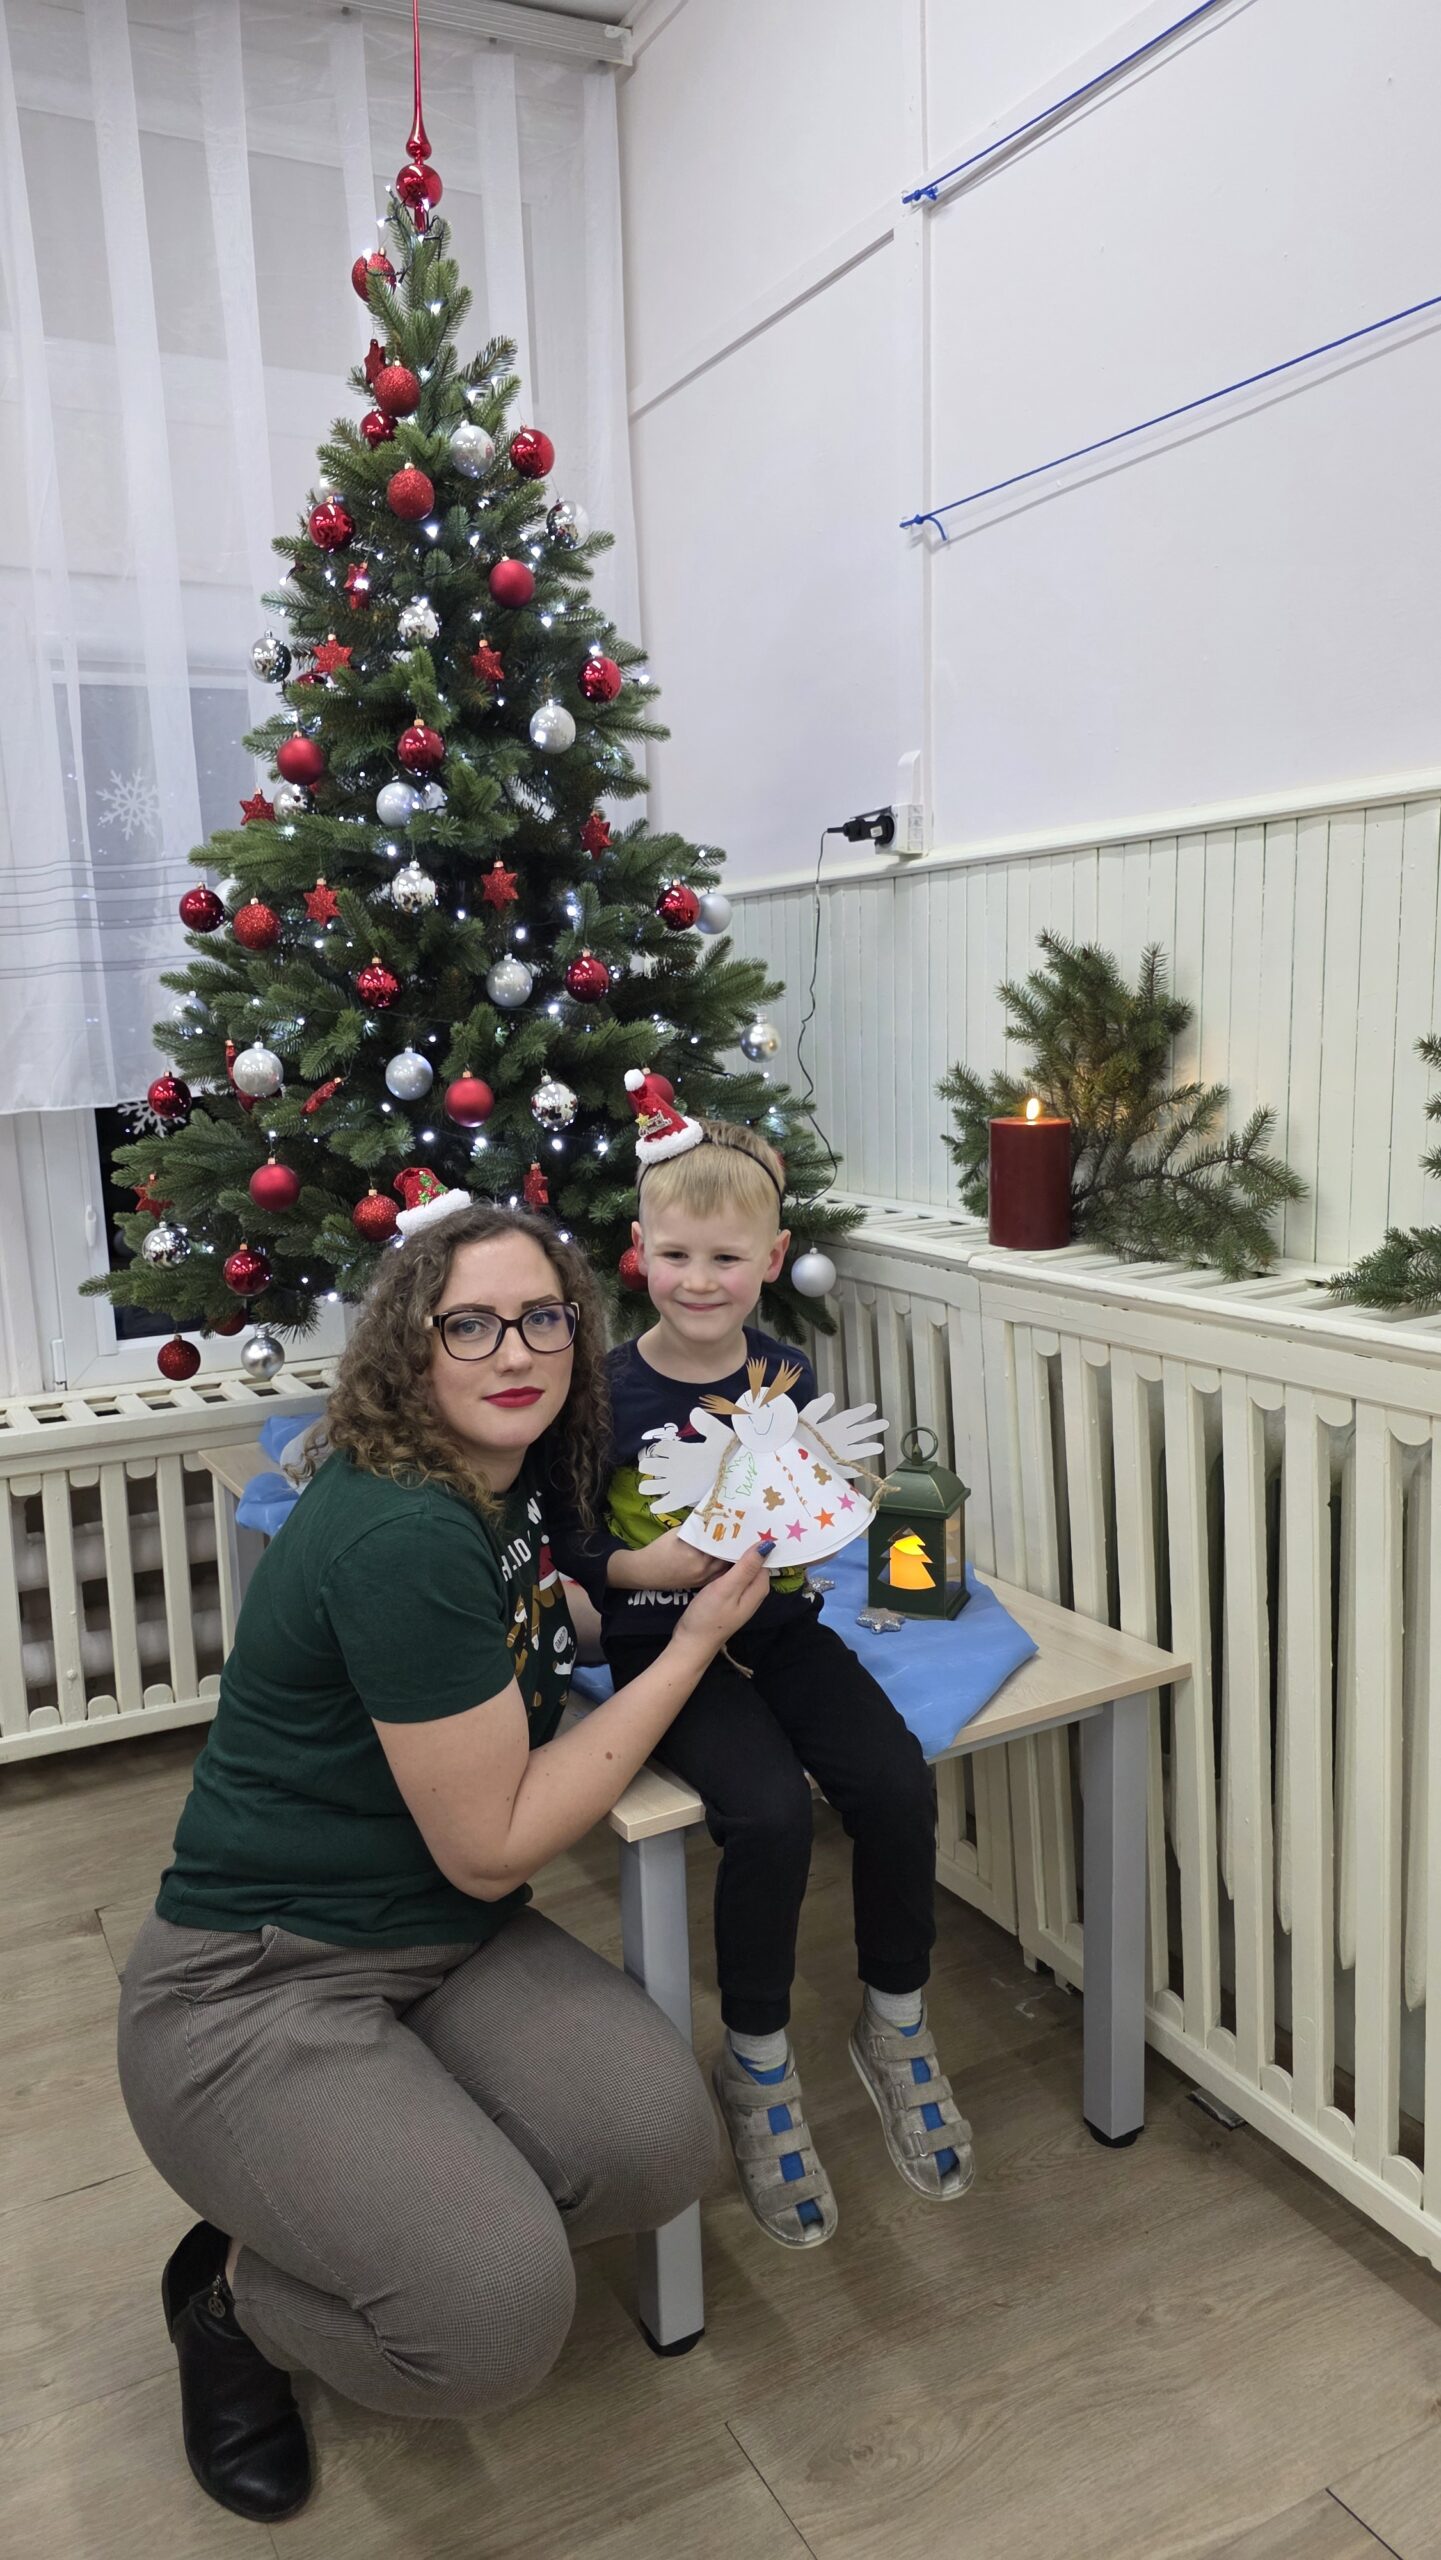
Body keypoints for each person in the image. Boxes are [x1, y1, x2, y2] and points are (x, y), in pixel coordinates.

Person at [116, 1198, 771, 2526]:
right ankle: (237, 2303)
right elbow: (494, 1850)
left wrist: (642, 1587)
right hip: (258, 1980)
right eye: (468, 1324)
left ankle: (370, 2191)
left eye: (541, 1317)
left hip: (436, 1942)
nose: (513, 1349)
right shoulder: (403, 1529)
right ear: (410, 1349)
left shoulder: (499, 1476)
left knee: (659, 2150)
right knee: (487, 2328)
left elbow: (537, 1607)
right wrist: (696, 1643)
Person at [552, 1079, 973, 2251]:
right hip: (660, 1648)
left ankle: (895, 2020)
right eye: (675, 1254)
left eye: (726, 1258)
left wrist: (835, 1513)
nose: (699, 1280)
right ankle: (757, 2061)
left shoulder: (781, 1371)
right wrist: (644, 1567)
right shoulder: (603, 1391)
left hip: (781, 1628)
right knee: (768, 1816)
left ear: (772, 1258)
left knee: (893, 1780)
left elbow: (807, 1503)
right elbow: (570, 1543)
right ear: (638, 1252)